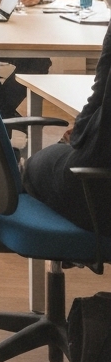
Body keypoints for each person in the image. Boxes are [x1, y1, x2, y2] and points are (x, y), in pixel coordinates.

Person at [24, 19, 111, 236]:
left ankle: (63, 248)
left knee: (30, 169)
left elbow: (99, 95)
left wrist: (79, 133)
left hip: (97, 193)